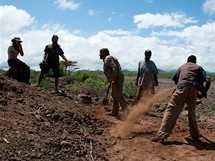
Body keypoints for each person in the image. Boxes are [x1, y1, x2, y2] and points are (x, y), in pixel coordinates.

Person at [151, 55, 211, 143]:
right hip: (194, 89)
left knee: (171, 110)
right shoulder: (199, 68)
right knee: (192, 112)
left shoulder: (181, 67)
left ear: (187, 61)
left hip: (182, 87)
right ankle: (195, 135)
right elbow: (208, 80)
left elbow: (176, 80)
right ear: (195, 61)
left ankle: (161, 135)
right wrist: (204, 92)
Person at [99, 48, 128, 117]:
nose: (99, 55)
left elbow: (114, 67)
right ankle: (114, 112)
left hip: (117, 78)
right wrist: (111, 80)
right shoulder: (108, 58)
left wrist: (114, 78)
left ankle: (127, 114)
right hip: (116, 78)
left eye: (100, 53)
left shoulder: (107, 58)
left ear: (103, 53)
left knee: (119, 95)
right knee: (114, 95)